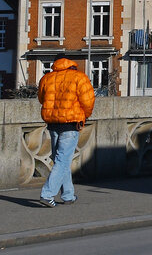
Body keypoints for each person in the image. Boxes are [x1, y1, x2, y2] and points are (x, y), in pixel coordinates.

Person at [37, 57, 96, 207]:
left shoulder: (47, 78)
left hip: (53, 123)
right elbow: (88, 101)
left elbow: (42, 99)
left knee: (61, 160)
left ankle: (68, 195)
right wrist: (84, 115)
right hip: (71, 123)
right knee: (63, 161)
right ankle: (47, 194)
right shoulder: (79, 77)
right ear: (71, 65)